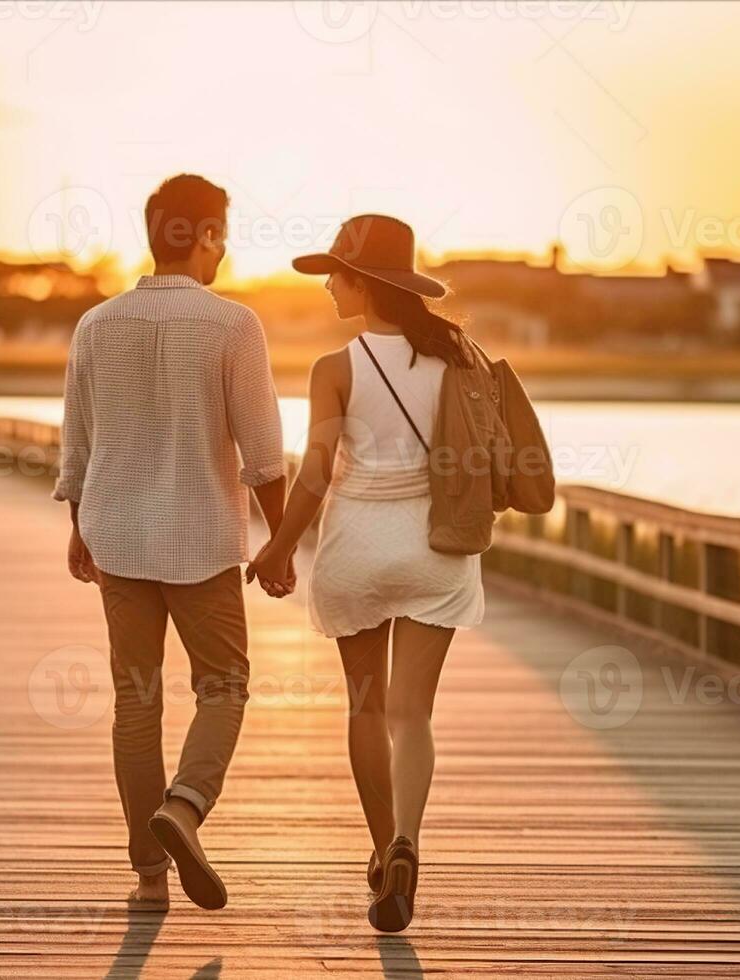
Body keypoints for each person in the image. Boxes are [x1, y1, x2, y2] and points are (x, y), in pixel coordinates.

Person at [53, 174, 291, 913]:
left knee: (136, 701)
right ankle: (183, 807)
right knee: (222, 686)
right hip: (199, 539)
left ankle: (148, 878)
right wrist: (282, 542)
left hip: (117, 533)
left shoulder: (95, 325)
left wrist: (77, 526)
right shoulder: (232, 325)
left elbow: (77, 442)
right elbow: (261, 453)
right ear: (209, 236)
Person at [247, 214, 484, 933]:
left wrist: (279, 545)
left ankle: (383, 851)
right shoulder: (458, 358)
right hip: (435, 548)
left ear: (365, 282)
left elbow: (315, 472)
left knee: (365, 710)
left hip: (356, 552)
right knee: (412, 716)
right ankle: (409, 839)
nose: (326, 286)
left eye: (336, 274)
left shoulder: (335, 369)